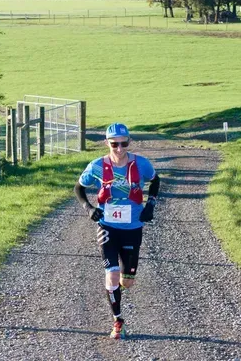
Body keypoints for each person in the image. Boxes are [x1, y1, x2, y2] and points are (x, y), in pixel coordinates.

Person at [74, 123, 160, 339]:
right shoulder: (96, 166)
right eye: (114, 144)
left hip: (132, 228)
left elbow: (155, 180)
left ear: (129, 142)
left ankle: (123, 283)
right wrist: (89, 208)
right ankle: (118, 321)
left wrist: (150, 205)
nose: (120, 149)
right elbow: (79, 188)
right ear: (107, 143)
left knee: (126, 282)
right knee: (111, 276)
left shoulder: (141, 164)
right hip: (107, 228)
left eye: (124, 144)